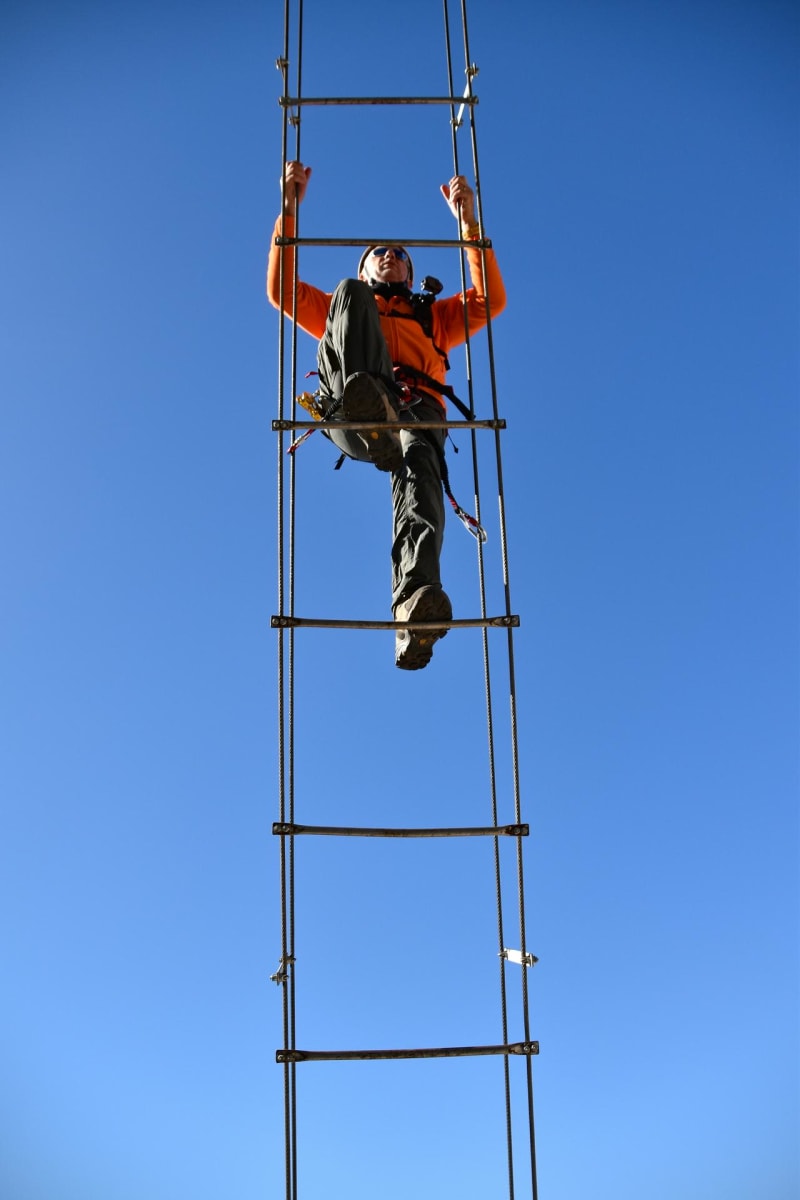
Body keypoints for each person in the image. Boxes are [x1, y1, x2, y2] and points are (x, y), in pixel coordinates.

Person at [267, 161, 506, 670]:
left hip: (414, 411)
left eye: (399, 254)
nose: (390, 256)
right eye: (379, 252)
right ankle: (368, 408)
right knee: (349, 300)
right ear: (366, 268)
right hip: (352, 407)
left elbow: (489, 300)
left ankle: (414, 605)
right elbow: (282, 291)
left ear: (411, 275)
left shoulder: (431, 316)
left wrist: (468, 224)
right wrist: (289, 210)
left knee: (421, 472)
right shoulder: (347, 301)